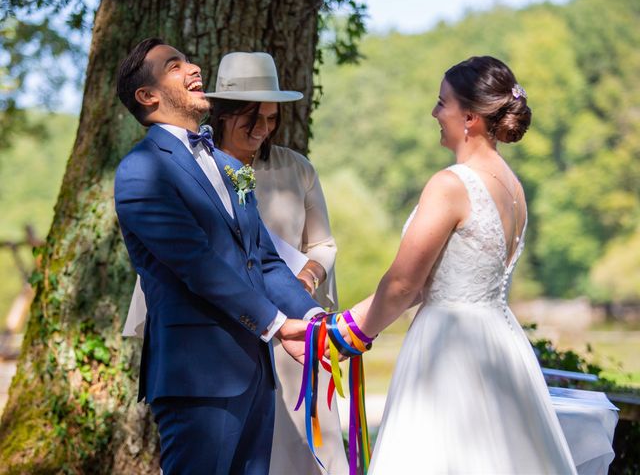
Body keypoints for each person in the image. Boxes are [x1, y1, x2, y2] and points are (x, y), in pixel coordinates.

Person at [339, 56, 578, 473]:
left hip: (448, 350)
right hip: (499, 342)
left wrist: (353, 336)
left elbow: (402, 284)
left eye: (441, 102)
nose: (434, 112)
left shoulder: (450, 185)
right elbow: (419, 286)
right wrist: (334, 327)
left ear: (469, 116)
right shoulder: (513, 187)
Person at [114, 38, 323, 474]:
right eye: (175, 66)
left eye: (188, 60)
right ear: (148, 96)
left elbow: (262, 259)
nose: (193, 68)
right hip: (198, 379)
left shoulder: (229, 168)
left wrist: (317, 321)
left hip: (253, 373)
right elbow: (198, 265)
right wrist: (279, 325)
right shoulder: (141, 171)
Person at [205, 52, 348, 475]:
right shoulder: (199, 168)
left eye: (272, 118)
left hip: (295, 329)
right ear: (227, 113)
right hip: (228, 333)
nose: (265, 129)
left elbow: (322, 243)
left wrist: (306, 277)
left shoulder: (297, 169)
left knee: (303, 444)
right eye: (255, 118)